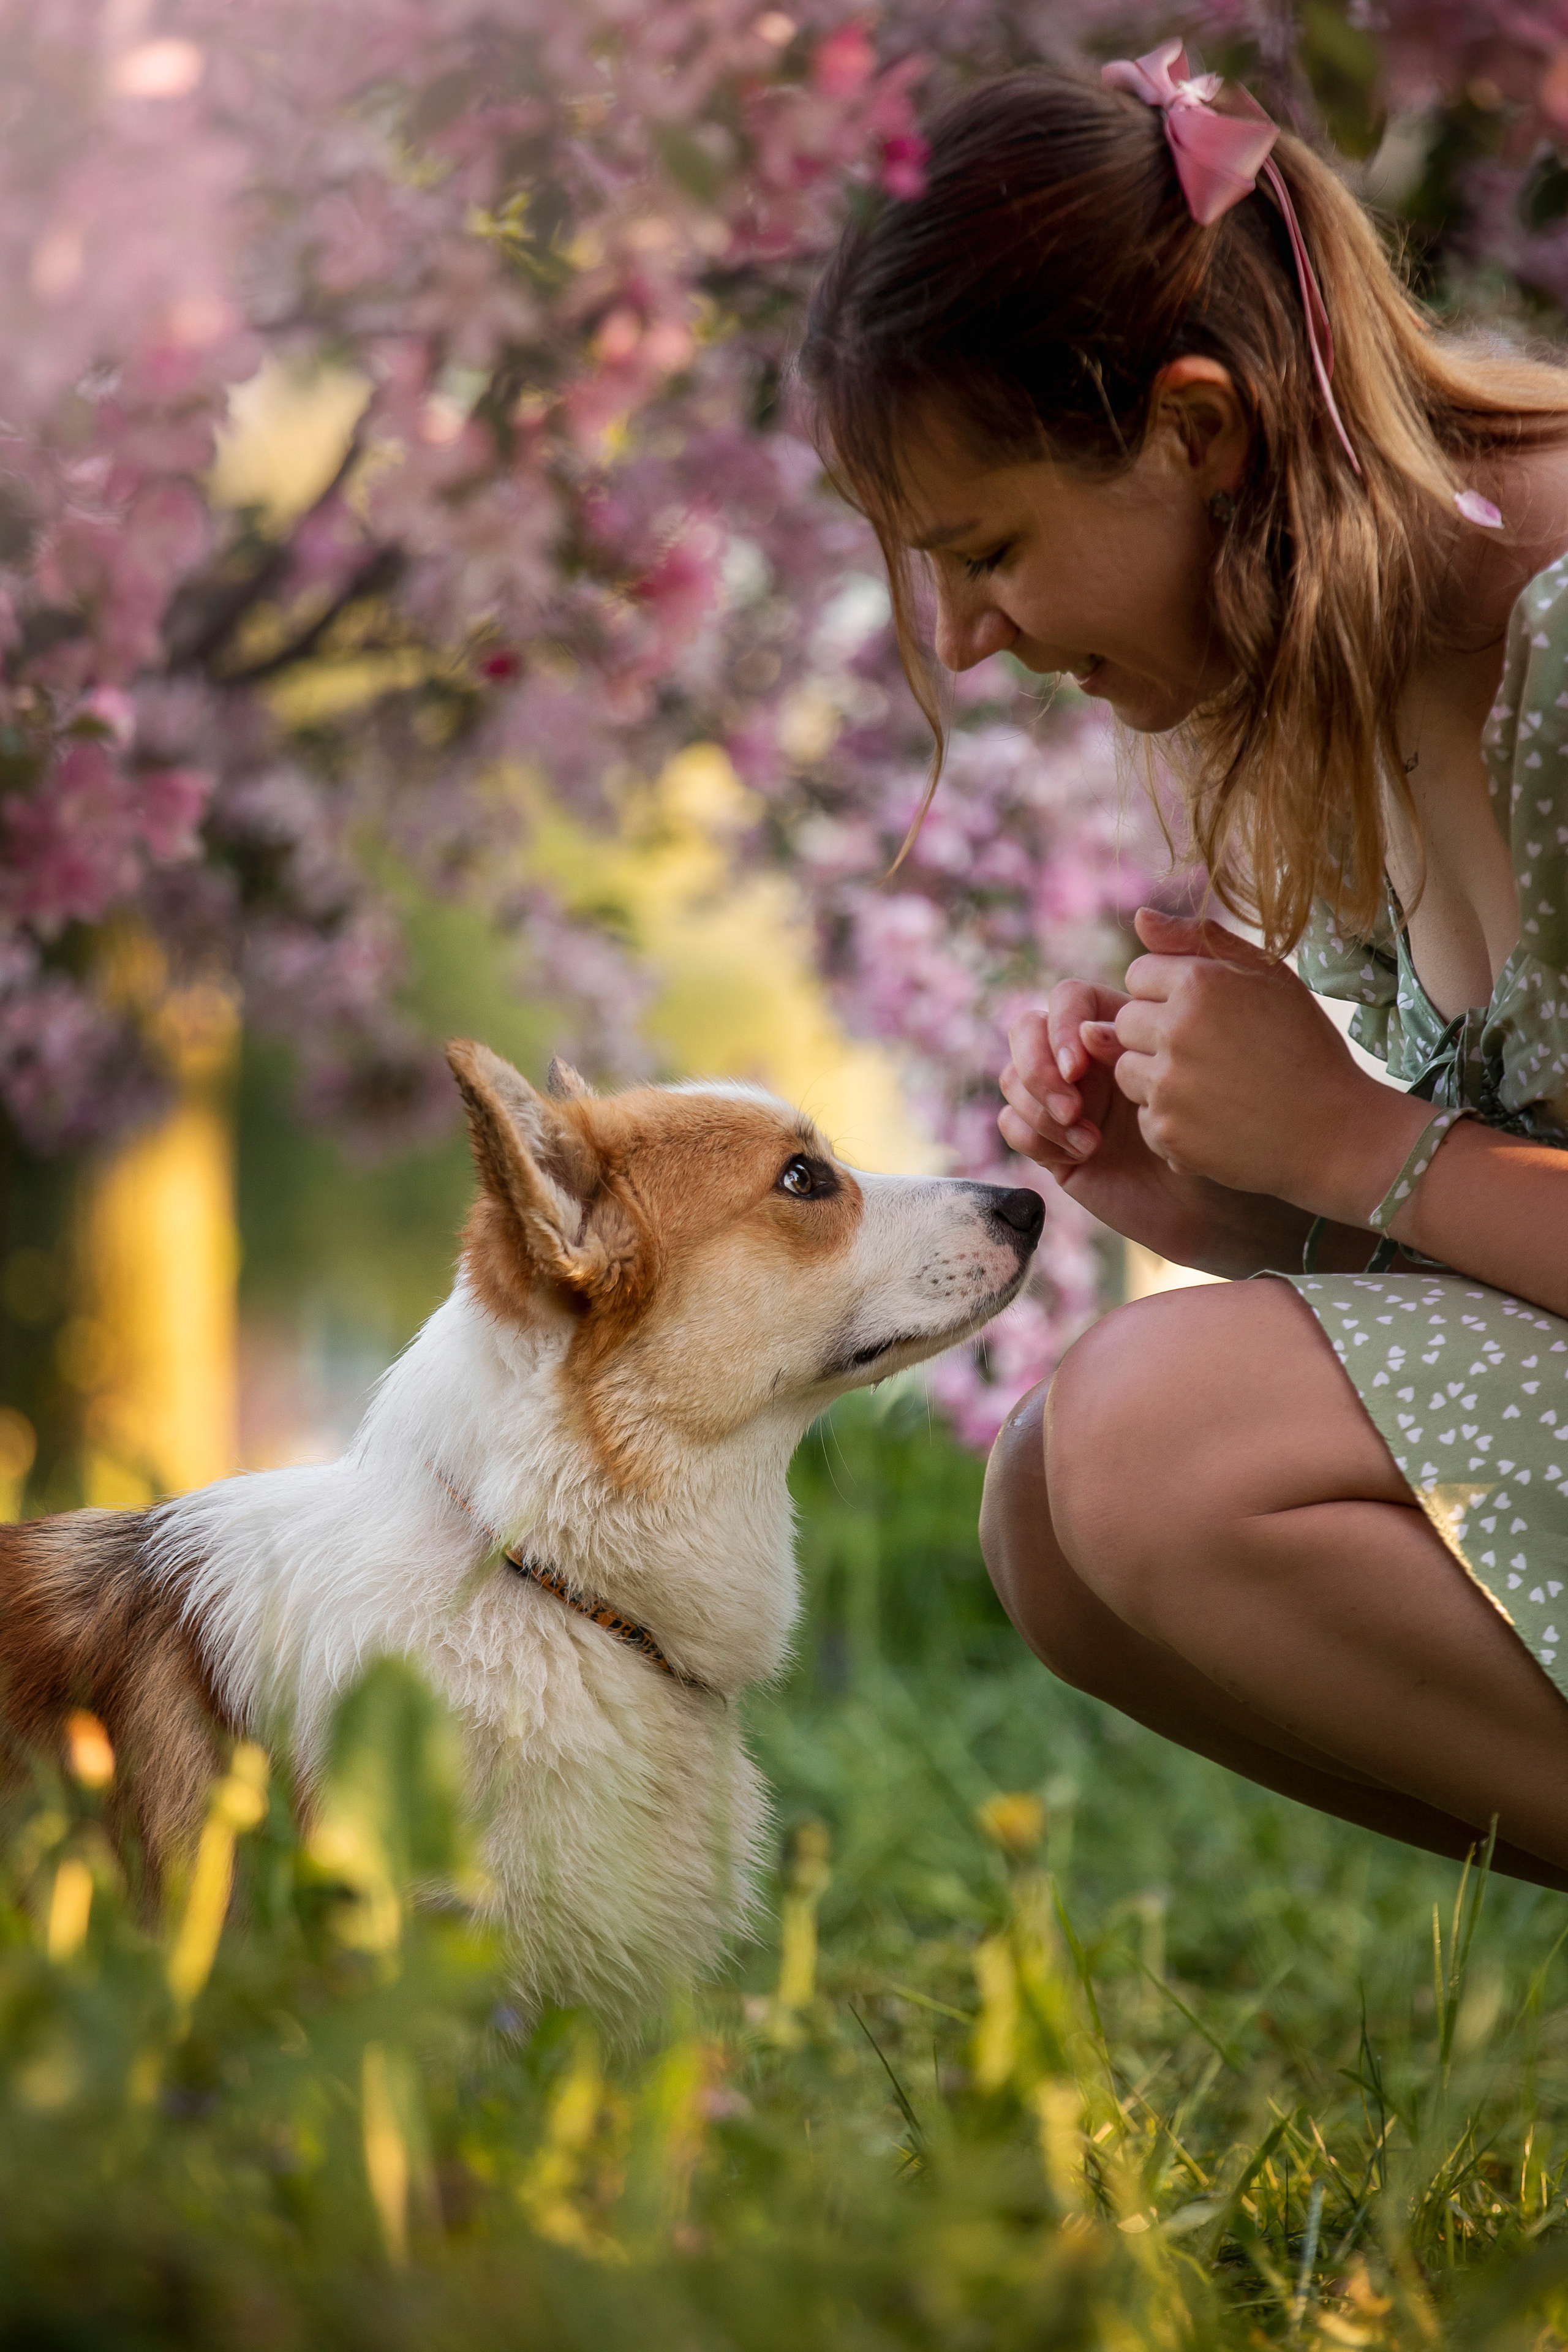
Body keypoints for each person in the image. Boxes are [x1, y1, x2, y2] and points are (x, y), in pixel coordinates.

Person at [799, 42, 1568, 1891]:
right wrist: (1230, 1192)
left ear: (1197, 432)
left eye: (987, 552)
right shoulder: (1315, 688)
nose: (964, 643)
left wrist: (1350, 1146)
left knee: (1151, 1439)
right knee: (1056, 1518)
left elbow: (1427, 1176)